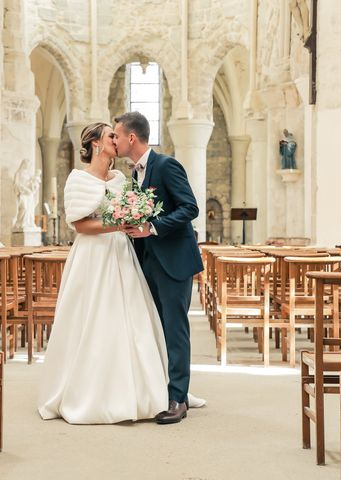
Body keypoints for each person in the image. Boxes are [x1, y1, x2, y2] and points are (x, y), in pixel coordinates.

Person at [37, 122, 169, 424]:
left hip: (120, 253)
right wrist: (116, 225)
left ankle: (136, 390)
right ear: (96, 143)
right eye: (111, 135)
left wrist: (131, 221)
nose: (116, 139)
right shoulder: (78, 179)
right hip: (92, 255)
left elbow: (130, 211)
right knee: (93, 317)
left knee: (128, 317)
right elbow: (81, 225)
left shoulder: (121, 178)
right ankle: (88, 392)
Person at [114, 111, 204, 424]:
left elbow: (190, 207)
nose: (114, 140)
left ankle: (178, 398)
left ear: (131, 138)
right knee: (154, 327)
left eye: (117, 135)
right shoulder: (134, 175)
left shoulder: (165, 165)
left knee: (175, 330)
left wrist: (151, 228)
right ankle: (159, 389)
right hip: (147, 261)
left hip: (173, 260)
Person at [13, 158, 41, 228]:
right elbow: (16, 184)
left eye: (29, 165)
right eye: (27, 164)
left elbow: (31, 183)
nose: (28, 166)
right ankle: (18, 222)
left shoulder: (28, 174)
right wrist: (24, 189)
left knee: (30, 209)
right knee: (24, 208)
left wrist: (33, 185)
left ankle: (28, 223)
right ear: (23, 164)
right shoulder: (18, 173)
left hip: (29, 194)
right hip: (23, 193)